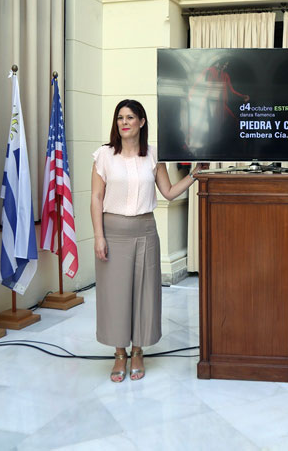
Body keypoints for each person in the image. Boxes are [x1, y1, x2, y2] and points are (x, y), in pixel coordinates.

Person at [91, 99, 208, 382]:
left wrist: (194, 174)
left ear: (142, 122)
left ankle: (139, 351)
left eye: (130, 117)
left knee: (144, 294)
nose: (124, 122)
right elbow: (95, 197)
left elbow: (167, 192)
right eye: (120, 118)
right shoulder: (104, 155)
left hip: (145, 231)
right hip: (113, 230)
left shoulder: (154, 156)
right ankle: (120, 354)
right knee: (116, 295)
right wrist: (98, 236)